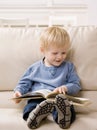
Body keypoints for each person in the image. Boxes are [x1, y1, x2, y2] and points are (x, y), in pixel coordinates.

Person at [13, 26, 81, 129]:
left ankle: (63, 119)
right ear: (43, 50)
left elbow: (76, 85)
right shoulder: (34, 68)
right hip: (39, 99)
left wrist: (66, 87)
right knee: (30, 107)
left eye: (63, 52)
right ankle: (34, 116)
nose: (60, 57)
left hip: (59, 100)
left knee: (68, 107)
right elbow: (24, 82)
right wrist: (19, 92)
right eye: (55, 53)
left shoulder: (68, 67)